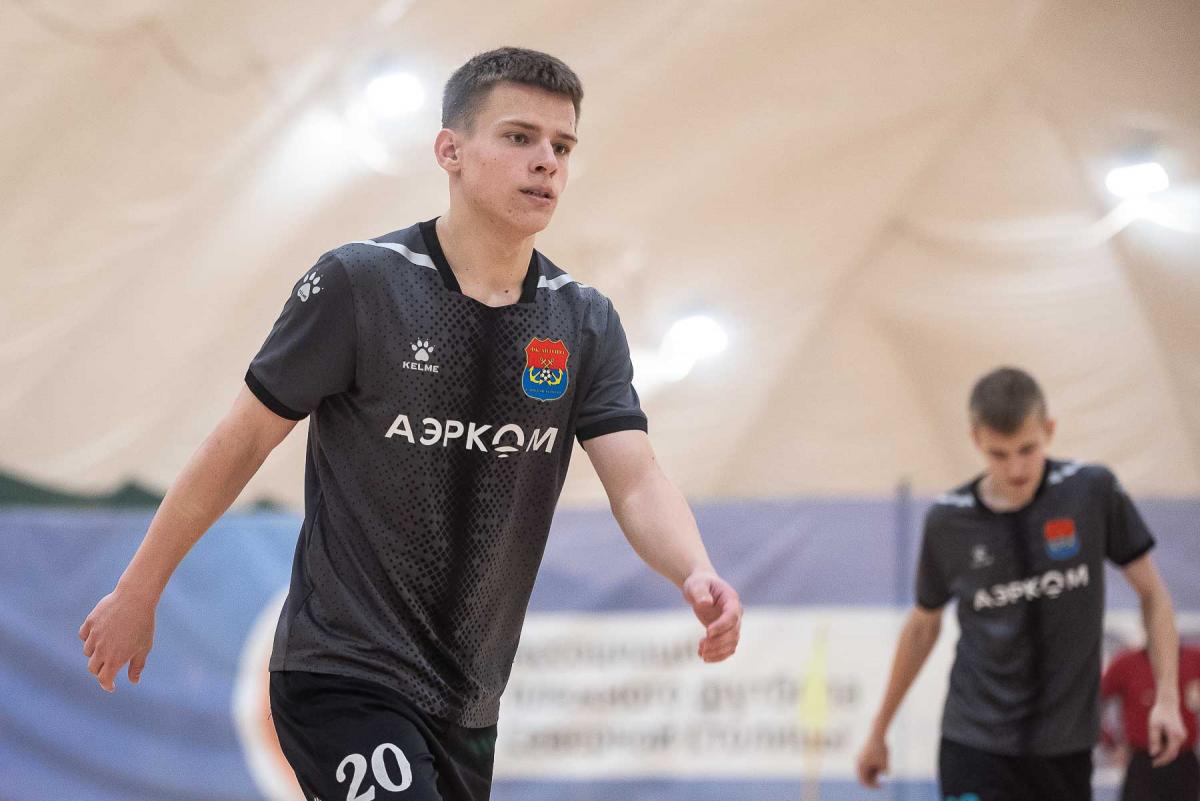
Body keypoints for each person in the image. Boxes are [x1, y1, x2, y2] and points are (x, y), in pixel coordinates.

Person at [78, 47, 742, 801]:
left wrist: (694, 569)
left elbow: (637, 479)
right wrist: (139, 589)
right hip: (343, 674)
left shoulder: (582, 319)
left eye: (562, 146)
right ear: (449, 151)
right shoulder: (360, 283)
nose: (546, 162)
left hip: (469, 704)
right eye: (519, 137)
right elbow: (241, 440)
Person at [855, 366, 1186, 801]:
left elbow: (1154, 596)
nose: (1015, 468)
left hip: (1065, 751)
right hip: (975, 743)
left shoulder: (1092, 492)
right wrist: (879, 730)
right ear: (976, 440)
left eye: (1027, 449)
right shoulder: (949, 521)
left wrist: (1167, 698)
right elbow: (922, 626)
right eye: (999, 453)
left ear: (1049, 429)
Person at [1101, 642, 1200, 800]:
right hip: (1143, 761)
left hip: (1184, 760)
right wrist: (1110, 742)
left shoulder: (1194, 659)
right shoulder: (1126, 663)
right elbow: (1095, 701)